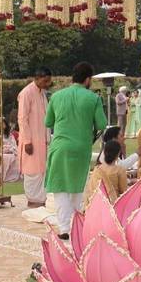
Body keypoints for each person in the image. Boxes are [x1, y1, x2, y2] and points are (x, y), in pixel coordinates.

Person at [44, 62, 108, 239]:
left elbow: (48, 122)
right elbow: (102, 124)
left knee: (60, 187)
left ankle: (64, 228)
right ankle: (75, 225)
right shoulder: (93, 98)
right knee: (76, 187)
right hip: (81, 148)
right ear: (88, 79)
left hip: (59, 147)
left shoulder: (56, 96)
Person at [17, 66, 53, 208]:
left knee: (42, 169)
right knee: (32, 170)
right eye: (45, 81)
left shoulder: (42, 93)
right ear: (37, 79)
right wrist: (27, 141)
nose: (47, 84)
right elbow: (22, 119)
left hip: (42, 139)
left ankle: (40, 200)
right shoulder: (26, 93)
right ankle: (33, 199)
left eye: (48, 81)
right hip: (31, 140)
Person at [84, 139, 129, 206]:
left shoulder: (97, 169)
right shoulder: (119, 170)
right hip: (111, 207)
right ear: (118, 154)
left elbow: (91, 190)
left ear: (104, 153)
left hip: (94, 206)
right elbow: (124, 193)